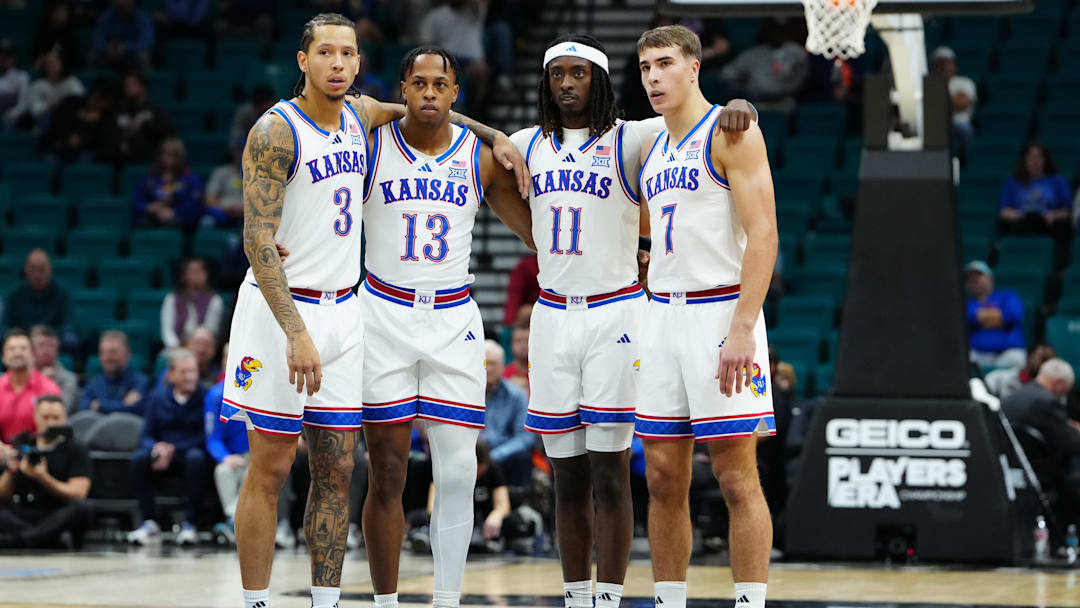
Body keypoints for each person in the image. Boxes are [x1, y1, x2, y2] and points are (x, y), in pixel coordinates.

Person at [219, 14, 528, 608]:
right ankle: (254, 600)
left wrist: (495, 135)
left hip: (343, 313)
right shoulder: (275, 131)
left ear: (360, 66)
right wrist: (295, 331)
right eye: (325, 52)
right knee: (273, 463)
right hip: (278, 314)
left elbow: (428, 110)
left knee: (337, 468)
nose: (337, 62)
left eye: (348, 53)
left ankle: (326, 602)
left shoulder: (362, 117)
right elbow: (256, 239)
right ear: (303, 61)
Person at [506, 34, 755, 608]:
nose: (566, 84)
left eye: (579, 74)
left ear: (600, 81)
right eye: (557, 75)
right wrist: (529, 225)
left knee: (612, 473)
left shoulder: (633, 136)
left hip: (617, 313)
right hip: (551, 317)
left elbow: (700, 120)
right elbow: (473, 158)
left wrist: (745, 105)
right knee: (566, 477)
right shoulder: (521, 143)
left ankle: (610, 597)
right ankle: (575, 596)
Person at [358, 45, 533, 608]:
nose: (430, 93)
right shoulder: (367, 146)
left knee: (458, 472)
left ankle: (447, 600)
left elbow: (534, 236)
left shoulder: (478, 158)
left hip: (454, 317)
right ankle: (385, 601)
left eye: (441, 85)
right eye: (419, 83)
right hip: (382, 312)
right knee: (386, 472)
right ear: (403, 88)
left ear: (455, 92)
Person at [636, 24, 777, 608]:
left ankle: (750, 602)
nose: (652, 77)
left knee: (735, 476)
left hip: (720, 312)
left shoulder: (731, 132)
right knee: (663, 478)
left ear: (694, 67)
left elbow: (765, 233)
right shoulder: (650, 144)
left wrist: (743, 328)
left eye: (664, 64)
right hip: (660, 316)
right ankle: (670, 601)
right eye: (644, 68)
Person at [127, 349, 209, 546]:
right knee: (138, 459)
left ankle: (190, 523)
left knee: (196, 459)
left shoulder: (206, 396)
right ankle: (149, 522)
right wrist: (157, 448)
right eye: (184, 372)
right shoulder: (157, 398)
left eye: (193, 372)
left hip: (189, 452)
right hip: (162, 455)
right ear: (171, 374)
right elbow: (146, 434)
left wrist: (173, 448)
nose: (190, 377)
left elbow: (206, 435)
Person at [0, 395, 91, 549]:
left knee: (82, 508)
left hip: (55, 513)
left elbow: (78, 493)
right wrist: (11, 472)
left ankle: (20, 540)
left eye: (56, 418)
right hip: (23, 511)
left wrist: (43, 477)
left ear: (65, 418)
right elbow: (4, 495)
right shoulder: (22, 443)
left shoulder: (76, 449)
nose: (50, 423)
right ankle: (41, 539)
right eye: (45, 417)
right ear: (35, 417)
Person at [1001, 358, 1080, 508]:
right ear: (1059, 384)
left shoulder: (1013, 397)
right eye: (1066, 390)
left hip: (1015, 467)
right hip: (1043, 472)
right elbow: (1072, 444)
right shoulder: (1048, 402)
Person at [206, 343, 249, 545]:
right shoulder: (215, 395)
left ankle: (239, 524)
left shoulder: (259, 393)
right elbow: (212, 437)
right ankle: (234, 521)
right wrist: (224, 456)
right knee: (223, 471)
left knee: (254, 474)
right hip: (235, 455)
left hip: (259, 456)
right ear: (224, 362)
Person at [417, 0, 490, 117]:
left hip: (471, 61)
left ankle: (476, 115)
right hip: (446, 60)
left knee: (480, 70)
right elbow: (426, 45)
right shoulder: (436, 15)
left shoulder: (474, 10)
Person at [719, 18, 808, 108]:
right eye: (774, 30)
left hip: (785, 102)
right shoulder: (754, 53)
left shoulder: (796, 52)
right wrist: (744, 85)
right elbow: (727, 73)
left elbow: (804, 76)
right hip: (756, 101)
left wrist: (789, 88)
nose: (778, 34)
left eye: (781, 30)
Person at [480, 341, 532, 487]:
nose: (488, 369)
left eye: (493, 363)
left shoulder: (516, 395)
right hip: (471, 454)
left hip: (503, 456)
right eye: (485, 363)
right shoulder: (465, 394)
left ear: (503, 366)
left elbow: (524, 437)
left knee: (522, 458)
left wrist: (493, 456)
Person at [998, 142, 1073, 243]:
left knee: (1063, 226)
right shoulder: (1013, 182)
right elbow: (1004, 212)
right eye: (1031, 157)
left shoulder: (1058, 181)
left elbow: (1066, 211)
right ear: (1025, 159)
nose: (1035, 161)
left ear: (1045, 160)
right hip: (1022, 222)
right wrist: (1020, 215)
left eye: (1039, 157)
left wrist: (1053, 215)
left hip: (1048, 224)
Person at [0, 329, 62, 444]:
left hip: (38, 455)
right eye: (12, 349)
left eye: (23, 348)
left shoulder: (49, 389)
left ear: (33, 355)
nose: (18, 353)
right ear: (3, 356)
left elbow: (53, 432)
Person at [2, 249, 76, 346]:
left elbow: (68, 324)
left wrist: (45, 333)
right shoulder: (14, 294)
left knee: (70, 339)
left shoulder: (62, 293)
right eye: (33, 269)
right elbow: (6, 325)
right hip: (22, 341)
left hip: (52, 340)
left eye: (41, 269)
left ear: (50, 269)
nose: (37, 275)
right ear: (25, 269)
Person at [134, 137, 206, 230]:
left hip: (179, 221)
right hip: (152, 217)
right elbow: (137, 201)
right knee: (142, 222)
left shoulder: (190, 179)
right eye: (164, 152)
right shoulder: (150, 178)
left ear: (179, 156)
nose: (166, 156)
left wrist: (173, 212)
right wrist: (150, 207)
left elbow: (193, 204)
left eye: (171, 153)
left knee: (172, 223)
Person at [965, 261, 1026, 369]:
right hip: (977, 355)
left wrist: (980, 317)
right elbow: (967, 318)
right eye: (970, 277)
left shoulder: (1007, 296)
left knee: (1017, 358)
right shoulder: (967, 304)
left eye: (979, 275)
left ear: (990, 278)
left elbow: (1013, 316)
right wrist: (998, 316)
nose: (974, 280)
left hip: (1007, 353)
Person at [6, 50, 83, 130]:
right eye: (48, 63)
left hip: (68, 119)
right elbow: (34, 110)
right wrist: (49, 106)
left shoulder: (72, 82)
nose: (51, 65)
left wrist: (61, 105)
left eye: (54, 62)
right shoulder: (38, 85)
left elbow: (79, 103)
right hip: (45, 121)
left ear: (62, 63)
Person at [79, 330, 150, 415]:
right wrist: (123, 405)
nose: (107, 357)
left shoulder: (140, 382)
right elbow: (83, 409)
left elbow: (135, 409)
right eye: (102, 352)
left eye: (112, 352)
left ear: (128, 354)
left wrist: (99, 405)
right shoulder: (93, 384)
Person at [109, 71, 173, 165]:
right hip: (122, 161)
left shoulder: (155, 110)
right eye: (126, 85)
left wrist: (145, 124)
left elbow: (168, 133)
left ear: (143, 86)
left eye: (132, 84)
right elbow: (109, 134)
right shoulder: (118, 111)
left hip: (149, 160)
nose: (128, 88)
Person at [162, 258, 225, 349]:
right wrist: (177, 347)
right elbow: (167, 332)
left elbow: (210, 331)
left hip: (202, 347)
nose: (196, 275)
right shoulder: (171, 299)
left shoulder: (215, 300)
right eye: (192, 271)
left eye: (199, 271)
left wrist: (195, 346)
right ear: (184, 276)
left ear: (206, 275)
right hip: (176, 349)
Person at [929, 46, 976, 146]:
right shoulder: (929, 84)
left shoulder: (964, 82)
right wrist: (952, 99)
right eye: (940, 63)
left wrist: (938, 102)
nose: (944, 67)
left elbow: (961, 104)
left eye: (947, 62)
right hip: (935, 126)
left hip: (959, 125)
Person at [90, 0, 155, 72]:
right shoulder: (105, 17)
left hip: (132, 55)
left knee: (142, 56)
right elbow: (97, 40)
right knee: (93, 56)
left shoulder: (142, 17)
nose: (121, 3)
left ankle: (143, 81)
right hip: (108, 53)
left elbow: (146, 43)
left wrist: (125, 47)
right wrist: (107, 47)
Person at [30, 325, 79, 413]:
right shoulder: (22, 375)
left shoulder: (69, 378)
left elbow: (61, 410)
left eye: (51, 346)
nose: (46, 350)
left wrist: (47, 382)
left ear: (57, 351)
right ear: (32, 349)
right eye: (41, 345)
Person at [985, 342, 1056, 400]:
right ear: (1028, 356)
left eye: (1050, 361)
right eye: (1043, 358)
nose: (1046, 364)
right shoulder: (999, 378)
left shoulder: (1053, 389)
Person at [205, 144, 245, 225]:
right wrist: (228, 209)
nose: (242, 153)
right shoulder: (221, 172)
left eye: (245, 150)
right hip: (224, 213)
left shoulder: (260, 174)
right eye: (239, 150)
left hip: (250, 216)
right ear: (233, 152)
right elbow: (209, 199)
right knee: (207, 222)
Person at [502, 253, 539, 326]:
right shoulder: (526, 266)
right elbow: (514, 297)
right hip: (530, 317)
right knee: (526, 311)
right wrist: (510, 321)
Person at [0, 39, 29, 128]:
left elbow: (23, 105)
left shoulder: (22, 77)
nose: (4, 59)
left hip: (11, 118)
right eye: (2, 56)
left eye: (8, 56)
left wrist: (8, 115)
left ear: (14, 58)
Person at [503, 316, 529, 393]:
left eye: (527, 341)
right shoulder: (504, 374)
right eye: (518, 341)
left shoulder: (541, 374)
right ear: (511, 344)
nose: (523, 346)